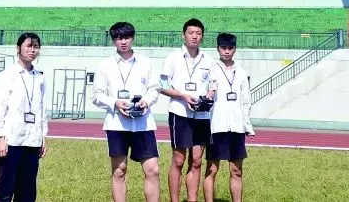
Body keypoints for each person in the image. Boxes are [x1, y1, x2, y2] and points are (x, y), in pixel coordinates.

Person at [92, 21, 161, 202]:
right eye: (118, 38)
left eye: (126, 37)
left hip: (143, 123)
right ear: (113, 40)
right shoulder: (105, 65)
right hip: (117, 124)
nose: (123, 42)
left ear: (133, 38)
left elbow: (155, 89)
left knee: (153, 170)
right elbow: (96, 95)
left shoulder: (146, 62)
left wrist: (146, 101)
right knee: (119, 170)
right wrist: (115, 103)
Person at [0, 32, 48, 202]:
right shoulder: (7, 75)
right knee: (4, 190)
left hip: (32, 141)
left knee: (27, 192)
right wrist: (0, 137)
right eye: (28, 46)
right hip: (11, 140)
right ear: (18, 48)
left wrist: (43, 137)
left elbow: (42, 109)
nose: (32, 50)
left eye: (36, 47)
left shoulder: (40, 77)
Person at [158, 18, 212, 202]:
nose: (194, 36)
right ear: (183, 35)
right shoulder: (173, 57)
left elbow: (213, 86)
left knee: (196, 160)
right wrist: (183, 96)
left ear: (202, 36)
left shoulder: (209, 60)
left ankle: (192, 199)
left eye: (198, 33)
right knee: (178, 160)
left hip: (202, 115)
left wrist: (208, 96)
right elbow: (162, 86)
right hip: (179, 113)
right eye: (191, 33)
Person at [204, 32, 254, 202]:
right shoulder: (211, 69)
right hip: (216, 126)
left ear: (235, 49)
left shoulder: (241, 72)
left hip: (236, 127)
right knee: (212, 169)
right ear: (217, 48)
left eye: (230, 48)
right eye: (223, 48)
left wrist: (247, 125)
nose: (227, 51)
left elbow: (246, 101)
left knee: (236, 170)